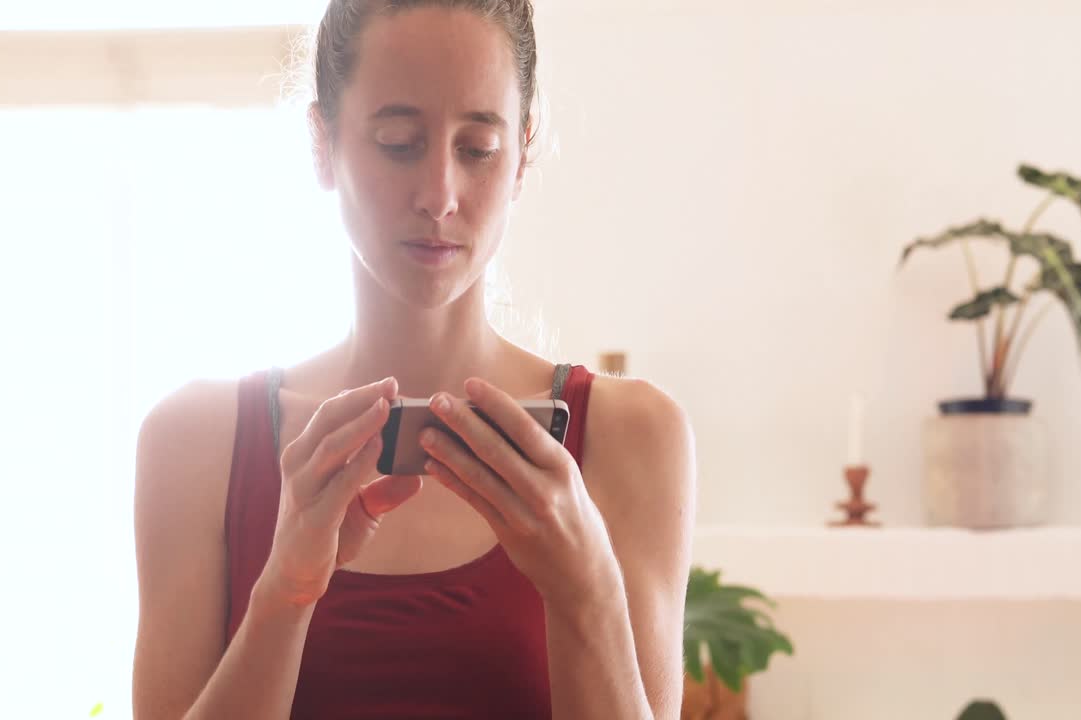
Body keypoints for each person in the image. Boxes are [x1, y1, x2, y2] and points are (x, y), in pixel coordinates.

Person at [131, 1, 696, 717]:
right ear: (321, 143)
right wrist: (283, 596)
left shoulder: (632, 436)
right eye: (399, 143)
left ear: (523, 153)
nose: (439, 196)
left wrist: (588, 589)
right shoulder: (197, 441)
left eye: (478, 149)